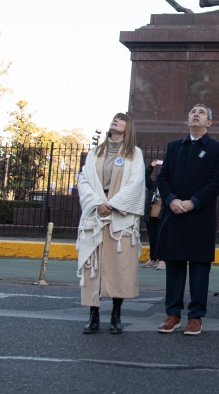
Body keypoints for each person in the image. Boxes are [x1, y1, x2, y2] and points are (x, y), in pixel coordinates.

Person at [155, 103, 219, 336]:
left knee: (199, 269)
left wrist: (193, 202)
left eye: (201, 113)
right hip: (174, 215)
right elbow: (163, 178)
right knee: (174, 267)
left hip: (200, 217)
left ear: (209, 122)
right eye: (192, 112)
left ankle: (195, 316)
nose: (195, 115)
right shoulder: (174, 147)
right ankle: (173, 314)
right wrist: (171, 200)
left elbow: (217, 182)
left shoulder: (218, 149)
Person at [76, 112, 146, 335]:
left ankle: (116, 314)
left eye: (121, 119)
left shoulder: (134, 154)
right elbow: (84, 180)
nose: (115, 121)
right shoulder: (95, 153)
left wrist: (113, 204)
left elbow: (136, 183)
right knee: (93, 267)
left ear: (129, 127)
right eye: (114, 118)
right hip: (95, 215)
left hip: (120, 220)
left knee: (120, 267)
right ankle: (93, 315)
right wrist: (98, 203)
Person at [142, 159, 164, 270]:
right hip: (151, 216)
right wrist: (151, 166)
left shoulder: (168, 188)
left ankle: (162, 260)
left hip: (162, 217)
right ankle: (153, 259)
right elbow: (145, 177)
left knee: (162, 238)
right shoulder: (153, 186)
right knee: (152, 238)